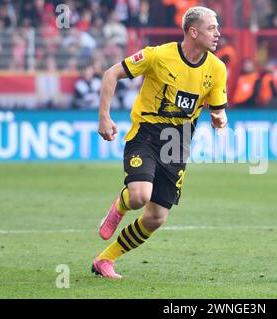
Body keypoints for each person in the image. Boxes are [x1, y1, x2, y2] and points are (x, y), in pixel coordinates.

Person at [92, 6, 228, 279]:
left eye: (217, 28)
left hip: (178, 144)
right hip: (147, 134)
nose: (218, 33)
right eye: (211, 28)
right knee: (139, 196)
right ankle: (119, 206)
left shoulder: (217, 68)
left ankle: (104, 260)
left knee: (155, 218)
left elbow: (218, 108)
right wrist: (104, 118)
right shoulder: (158, 55)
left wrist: (219, 118)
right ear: (193, 31)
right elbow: (111, 74)